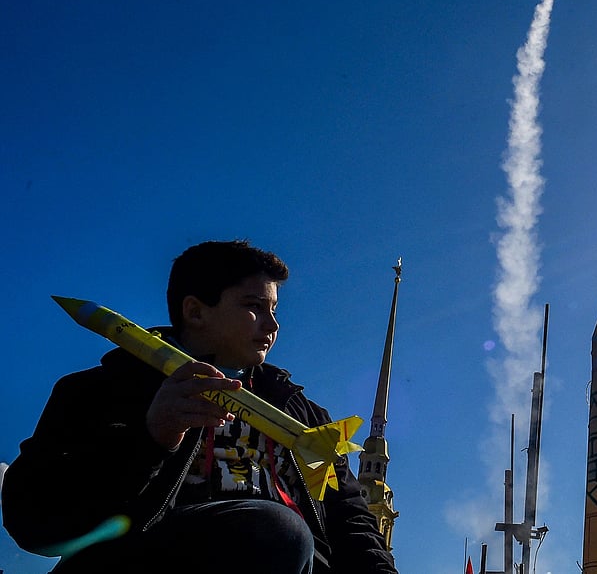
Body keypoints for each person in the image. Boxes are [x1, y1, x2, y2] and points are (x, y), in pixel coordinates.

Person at [2, 240, 397, 573]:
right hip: (151, 558)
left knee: (288, 533)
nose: (272, 325)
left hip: (296, 558)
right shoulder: (102, 391)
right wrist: (149, 440)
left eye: (274, 309)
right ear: (195, 311)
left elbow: (351, 521)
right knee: (277, 529)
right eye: (253, 306)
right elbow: (35, 524)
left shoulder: (305, 415)